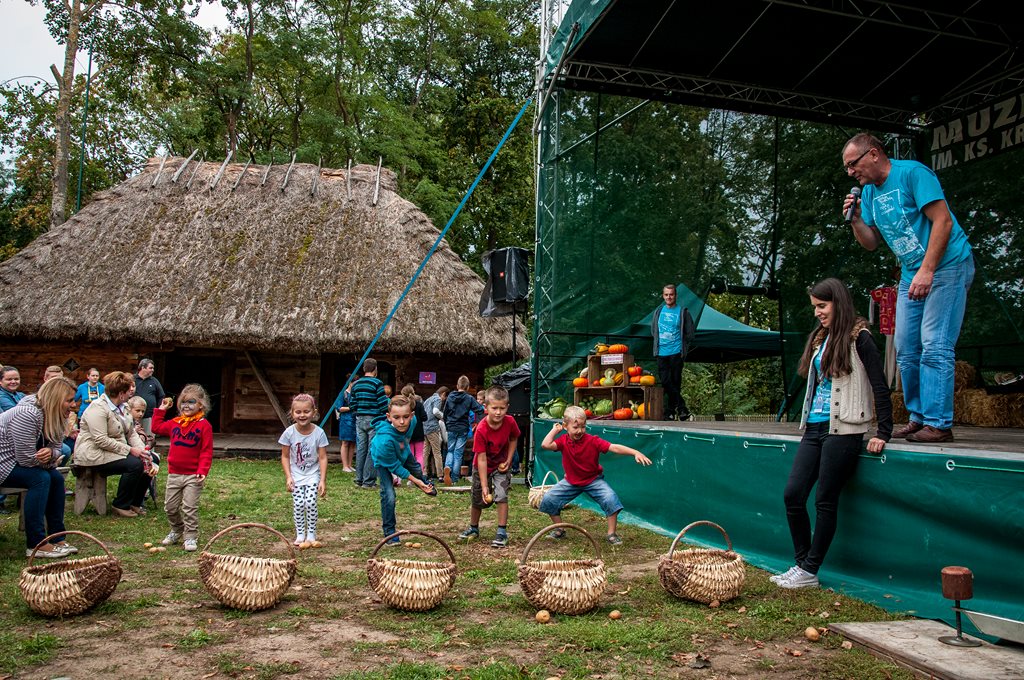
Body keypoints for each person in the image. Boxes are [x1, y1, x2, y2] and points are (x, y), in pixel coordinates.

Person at [842, 133, 974, 443]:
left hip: (947, 266)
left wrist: (927, 270)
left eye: (853, 164)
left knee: (935, 343)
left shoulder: (913, 174)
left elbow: (943, 222)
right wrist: (856, 220)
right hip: (911, 273)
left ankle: (939, 424)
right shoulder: (870, 194)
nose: (850, 172)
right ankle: (919, 417)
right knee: (905, 347)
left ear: (874, 154)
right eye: (847, 167)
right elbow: (871, 243)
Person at [773, 278, 892, 590]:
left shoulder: (859, 338)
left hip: (843, 430)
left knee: (825, 499)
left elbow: (879, 384)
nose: (817, 312)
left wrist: (884, 431)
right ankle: (802, 565)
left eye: (822, 306)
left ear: (838, 302)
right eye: (815, 307)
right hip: (814, 427)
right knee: (793, 495)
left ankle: (810, 569)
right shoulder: (820, 339)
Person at [538, 405, 653, 546]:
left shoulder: (593, 440)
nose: (580, 431)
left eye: (583, 427)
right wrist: (555, 430)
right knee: (549, 499)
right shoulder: (563, 441)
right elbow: (545, 445)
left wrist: (635, 452)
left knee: (610, 499)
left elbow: (614, 447)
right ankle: (559, 529)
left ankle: (611, 534)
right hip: (571, 481)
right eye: (575, 427)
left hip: (593, 480)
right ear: (565, 426)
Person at [0, 377, 79, 558]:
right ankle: (36, 544)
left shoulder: (56, 415)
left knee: (56, 478)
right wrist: (51, 459)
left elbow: (58, 448)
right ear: (55, 399)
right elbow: (27, 460)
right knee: (40, 479)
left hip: (17, 463)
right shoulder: (27, 414)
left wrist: (51, 453)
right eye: (69, 400)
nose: (73, 405)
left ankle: (57, 537)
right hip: (4, 463)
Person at [75, 371, 152, 517]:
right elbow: (101, 440)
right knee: (135, 465)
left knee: (150, 460)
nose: (131, 392)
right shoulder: (98, 408)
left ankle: (135, 502)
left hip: (113, 451)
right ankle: (120, 504)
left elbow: (131, 433)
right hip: (93, 454)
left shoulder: (124, 407)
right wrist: (130, 450)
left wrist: (143, 451)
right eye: (128, 390)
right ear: (121, 393)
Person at [152, 384, 214, 552]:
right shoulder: (176, 423)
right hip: (174, 474)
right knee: (170, 507)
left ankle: (191, 535)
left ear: (201, 404)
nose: (186, 406)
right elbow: (156, 428)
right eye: (183, 403)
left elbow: (206, 451)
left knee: (189, 507)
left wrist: (202, 470)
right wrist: (161, 410)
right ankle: (177, 529)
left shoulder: (204, 425)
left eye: (191, 402)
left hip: (193, 475)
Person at [369, 394, 436, 546]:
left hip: (402, 451)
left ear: (411, 415)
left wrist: (419, 479)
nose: (401, 422)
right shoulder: (384, 441)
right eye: (396, 417)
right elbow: (396, 468)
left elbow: (405, 440)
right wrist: (415, 481)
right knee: (389, 495)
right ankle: (390, 533)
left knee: (417, 470)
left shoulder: (413, 422)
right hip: (384, 461)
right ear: (389, 417)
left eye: (406, 417)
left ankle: (425, 484)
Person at [458, 386, 520, 548]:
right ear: (486, 407)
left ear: (507, 407)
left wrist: (509, 460)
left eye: (502, 408)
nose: (498, 412)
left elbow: (514, 438)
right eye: (494, 408)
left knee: (502, 496)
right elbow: (481, 459)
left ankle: (501, 532)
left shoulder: (510, 422)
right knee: (478, 497)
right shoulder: (481, 429)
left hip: (501, 466)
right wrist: (485, 486)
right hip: (481, 465)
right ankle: (473, 528)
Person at [279, 394, 329, 548]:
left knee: (311, 502)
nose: (302, 415)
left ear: (314, 412)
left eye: (306, 411)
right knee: (299, 503)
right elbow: (285, 456)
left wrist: (322, 480)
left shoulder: (319, 433)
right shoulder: (289, 433)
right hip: (296, 474)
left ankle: (311, 533)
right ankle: (300, 533)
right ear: (292, 413)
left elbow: (322, 457)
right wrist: (288, 477)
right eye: (298, 412)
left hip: (312, 473)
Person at [651, 284, 696, 420]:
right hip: (661, 352)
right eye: (666, 294)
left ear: (675, 296)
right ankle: (682, 408)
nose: (669, 297)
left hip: (676, 352)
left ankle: (670, 412)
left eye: (671, 294)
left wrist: (683, 346)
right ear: (663, 296)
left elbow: (690, 333)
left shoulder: (683, 312)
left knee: (675, 382)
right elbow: (653, 330)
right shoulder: (658, 312)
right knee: (666, 381)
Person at [350, 359, 388, 489]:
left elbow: (352, 403)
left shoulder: (356, 384)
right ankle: (368, 481)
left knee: (361, 448)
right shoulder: (377, 383)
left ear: (364, 369)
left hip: (360, 419)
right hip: (374, 419)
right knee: (372, 449)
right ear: (375, 369)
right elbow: (383, 403)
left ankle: (359, 478)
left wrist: (359, 411)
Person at [442, 376, 484, 485]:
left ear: (457, 386)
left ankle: (447, 467)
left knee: (450, 450)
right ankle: (454, 479)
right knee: (458, 453)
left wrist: (447, 424)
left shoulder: (450, 396)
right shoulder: (469, 398)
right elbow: (479, 409)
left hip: (451, 426)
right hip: (463, 428)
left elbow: (445, 412)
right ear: (468, 387)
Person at [126, 395, 160, 504]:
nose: (140, 414)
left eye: (142, 411)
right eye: (137, 411)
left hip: (138, 449)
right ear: (129, 409)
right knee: (141, 463)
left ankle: (140, 496)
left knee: (154, 459)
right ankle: (133, 498)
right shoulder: (125, 420)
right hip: (126, 450)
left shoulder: (137, 423)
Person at [421, 386, 448, 482]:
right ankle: (440, 475)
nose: (444, 400)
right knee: (437, 452)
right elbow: (435, 411)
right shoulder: (438, 399)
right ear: (443, 394)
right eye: (445, 397)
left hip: (425, 427)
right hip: (432, 428)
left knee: (426, 452)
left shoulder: (428, 399)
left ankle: (424, 473)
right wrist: (443, 417)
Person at [134, 358, 166, 438]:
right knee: (134, 438)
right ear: (143, 367)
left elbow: (161, 396)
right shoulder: (133, 379)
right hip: (133, 417)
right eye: (150, 368)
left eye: (153, 368)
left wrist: (158, 410)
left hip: (149, 416)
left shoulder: (154, 381)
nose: (153, 370)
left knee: (149, 439)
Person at [401, 384, 427, 471]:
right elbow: (425, 417)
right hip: (419, 432)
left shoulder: (404, 406)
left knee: (410, 454)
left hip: (408, 432)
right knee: (419, 454)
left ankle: (411, 474)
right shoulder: (419, 404)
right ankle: (420, 473)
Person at [335, 377, 356, 472]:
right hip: (345, 420)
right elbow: (339, 408)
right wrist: (351, 408)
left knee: (352, 443)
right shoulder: (343, 394)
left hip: (354, 420)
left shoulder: (356, 394)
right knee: (345, 442)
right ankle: (344, 465)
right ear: (350, 382)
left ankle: (350, 464)